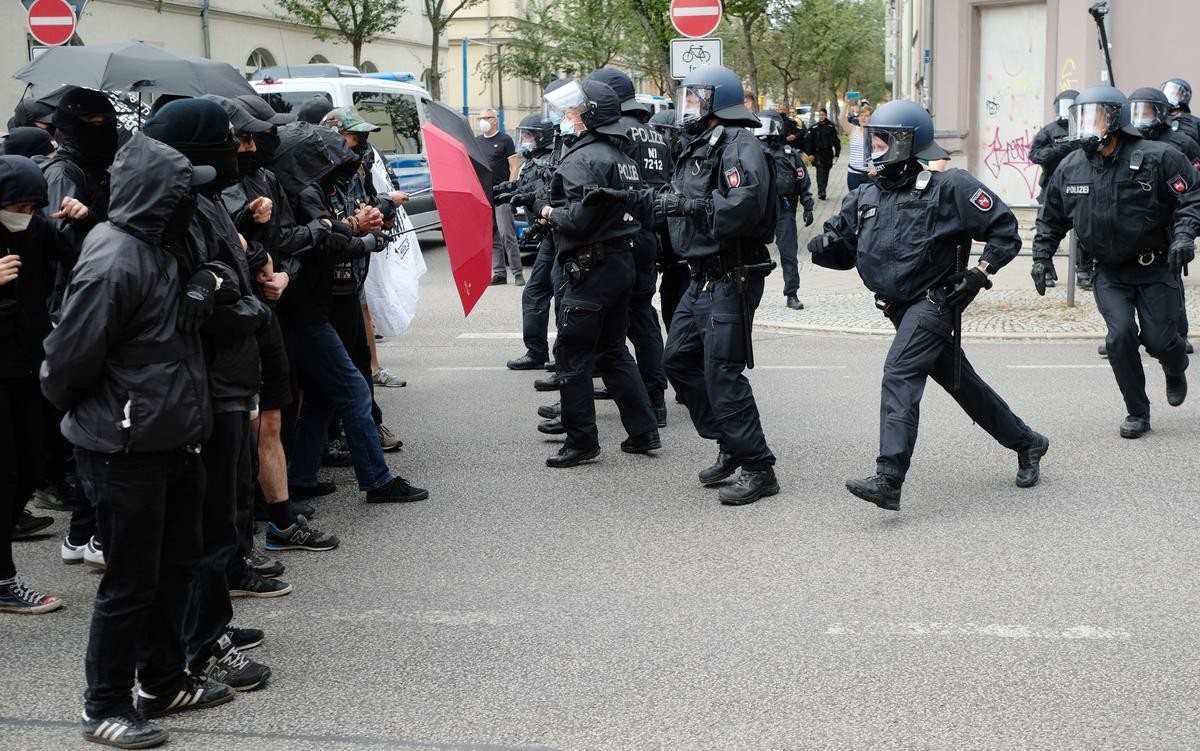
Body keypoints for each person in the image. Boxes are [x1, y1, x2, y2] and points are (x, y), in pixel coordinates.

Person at [41, 133, 236, 749]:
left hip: (173, 434)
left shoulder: (157, 244)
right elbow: (65, 362)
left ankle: (163, 679)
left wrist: (208, 278)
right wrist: (102, 419)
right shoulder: (115, 256)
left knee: (176, 563)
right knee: (129, 581)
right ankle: (103, 704)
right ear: (160, 196)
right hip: (124, 445)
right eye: (184, 191)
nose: (194, 201)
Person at [809, 99, 1049, 511]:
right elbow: (843, 249)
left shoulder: (949, 186)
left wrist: (980, 274)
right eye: (874, 141)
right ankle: (1028, 442)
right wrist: (823, 246)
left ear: (907, 144)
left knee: (899, 372)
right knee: (962, 384)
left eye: (883, 142)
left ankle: (889, 478)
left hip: (934, 302)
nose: (876, 150)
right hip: (895, 307)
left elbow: (1005, 231)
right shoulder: (865, 195)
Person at [143, 98, 282, 695]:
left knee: (220, 520)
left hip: (227, 373)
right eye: (226, 141)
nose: (240, 151)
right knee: (205, 526)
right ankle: (203, 644)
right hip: (209, 381)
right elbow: (207, 297)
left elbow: (233, 273)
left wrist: (258, 267)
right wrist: (246, 299)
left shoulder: (202, 202)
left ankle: (210, 628)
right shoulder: (175, 211)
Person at [270, 121, 430, 504]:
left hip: (319, 304)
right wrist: (363, 239)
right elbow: (323, 245)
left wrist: (367, 227)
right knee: (354, 391)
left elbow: (335, 234)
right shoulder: (297, 194)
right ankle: (377, 481)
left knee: (325, 395)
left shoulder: (301, 188)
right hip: (305, 309)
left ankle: (302, 477)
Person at [1032, 85, 1200, 439]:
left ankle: (1175, 367)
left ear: (1114, 120)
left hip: (1154, 267)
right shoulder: (1071, 167)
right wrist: (1041, 256)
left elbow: (1191, 197)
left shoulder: (1159, 156)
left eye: (1092, 117)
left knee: (1161, 341)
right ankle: (1138, 412)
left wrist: (1184, 236)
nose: (1084, 126)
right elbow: (1051, 217)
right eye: (1080, 118)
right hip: (1109, 272)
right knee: (1119, 337)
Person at [221, 95, 341, 561]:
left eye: (259, 136)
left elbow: (278, 242)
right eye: (245, 137)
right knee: (241, 429)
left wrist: (282, 271)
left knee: (274, 415)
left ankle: (281, 519)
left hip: (266, 309)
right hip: (235, 317)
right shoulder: (208, 190)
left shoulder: (266, 177)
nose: (254, 145)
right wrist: (251, 233)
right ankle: (244, 537)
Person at [656, 65, 782, 504]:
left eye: (694, 98)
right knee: (677, 360)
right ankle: (730, 440)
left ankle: (759, 468)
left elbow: (741, 207)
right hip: (702, 276)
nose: (687, 106)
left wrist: (688, 206)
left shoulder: (741, 146)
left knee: (723, 373)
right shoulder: (702, 144)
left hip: (732, 274)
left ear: (716, 101)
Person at [534, 79, 660, 467]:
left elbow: (577, 220)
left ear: (588, 116)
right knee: (613, 351)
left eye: (571, 112)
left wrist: (546, 211)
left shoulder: (581, 159)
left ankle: (581, 442)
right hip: (620, 262)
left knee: (573, 356)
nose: (565, 117)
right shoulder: (621, 155)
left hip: (589, 267)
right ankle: (643, 431)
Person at [41, 86, 121, 563]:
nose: (104, 133)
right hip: (69, 306)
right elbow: (62, 243)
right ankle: (87, 530)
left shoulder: (90, 169)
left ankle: (83, 529)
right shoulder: (63, 173)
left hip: (82, 302)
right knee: (90, 418)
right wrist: (93, 221)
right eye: (93, 124)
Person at [585, 67, 672, 427]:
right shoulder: (656, 135)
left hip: (623, 233)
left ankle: (645, 398)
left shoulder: (617, 133)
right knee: (641, 314)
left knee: (617, 317)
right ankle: (649, 393)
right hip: (650, 234)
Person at [0, 155, 67, 614]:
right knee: (4, 473)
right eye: (16, 205)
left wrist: (77, 221)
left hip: (30, 367)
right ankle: (3, 579)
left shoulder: (39, 229)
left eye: (31, 205)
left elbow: (79, 260)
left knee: (31, 466)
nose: (23, 214)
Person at [503, 112, 560, 371]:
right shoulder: (535, 161)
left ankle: (563, 356)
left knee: (562, 297)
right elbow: (523, 190)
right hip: (549, 238)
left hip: (559, 236)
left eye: (528, 136)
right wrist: (500, 191)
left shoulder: (549, 161)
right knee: (536, 292)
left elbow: (542, 195)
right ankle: (537, 352)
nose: (524, 141)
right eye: (522, 136)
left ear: (541, 137)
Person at [754, 110, 814, 311]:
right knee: (750, 250)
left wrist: (808, 206)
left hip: (784, 207)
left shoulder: (790, 154)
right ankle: (747, 292)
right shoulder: (754, 152)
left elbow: (802, 181)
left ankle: (791, 293)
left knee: (788, 253)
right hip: (760, 208)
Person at [1029, 90, 1084, 287]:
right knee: (1046, 226)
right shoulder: (1049, 130)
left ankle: (1083, 269)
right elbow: (1035, 155)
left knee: (1083, 228)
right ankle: (1045, 267)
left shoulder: (1084, 127)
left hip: (1079, 184)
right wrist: (1056, 151)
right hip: (1052, 187)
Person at [647, 109, 690, 331]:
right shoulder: (660, 163)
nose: (657, 139)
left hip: (682, 258)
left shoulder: (687, 163)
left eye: (662, 133)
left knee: (677, 306)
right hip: (665, 252)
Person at [479, 108, 522, 285]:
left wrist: (509, 188)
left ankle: (517, 273)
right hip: (484, 195)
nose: (483, 121)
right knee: (492, 236)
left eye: (486, 117)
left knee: (507, 234)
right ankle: (499, 273)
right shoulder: (477, 141)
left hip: (501, 194)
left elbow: (514, 166)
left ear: (495, 120)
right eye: (480, 118)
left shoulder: (505, 140)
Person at [807, 108, 840, 200]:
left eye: (822, 115)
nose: (821, 117)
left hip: (828, 153)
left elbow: (836, 142)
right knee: (820, 172)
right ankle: (821, 191)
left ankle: (823, 188)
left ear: (825, 115)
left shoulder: (831, 127)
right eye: (820, 115)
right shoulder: (814, 128)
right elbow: (809, 142)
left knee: (826, 173)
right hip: (818, 153)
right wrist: (810, 154)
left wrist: (837, 154)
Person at [1162, 78, 1200, 148]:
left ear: (1185, 98)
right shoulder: (1158, 120)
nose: (1169, 96)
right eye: (1168, 92)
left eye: (1174, 94)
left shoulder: (1196, 123)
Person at [845, 105, 873, 191]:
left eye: (867, 115)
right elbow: (841, 119)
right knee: (854, 202)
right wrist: (846, 103)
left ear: (871, 118)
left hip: (870, 176)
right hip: (854, 174)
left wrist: (876, 168)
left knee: (868, 202)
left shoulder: (876, 133)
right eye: (861, 115)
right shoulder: (853, 130)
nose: (863, 118)